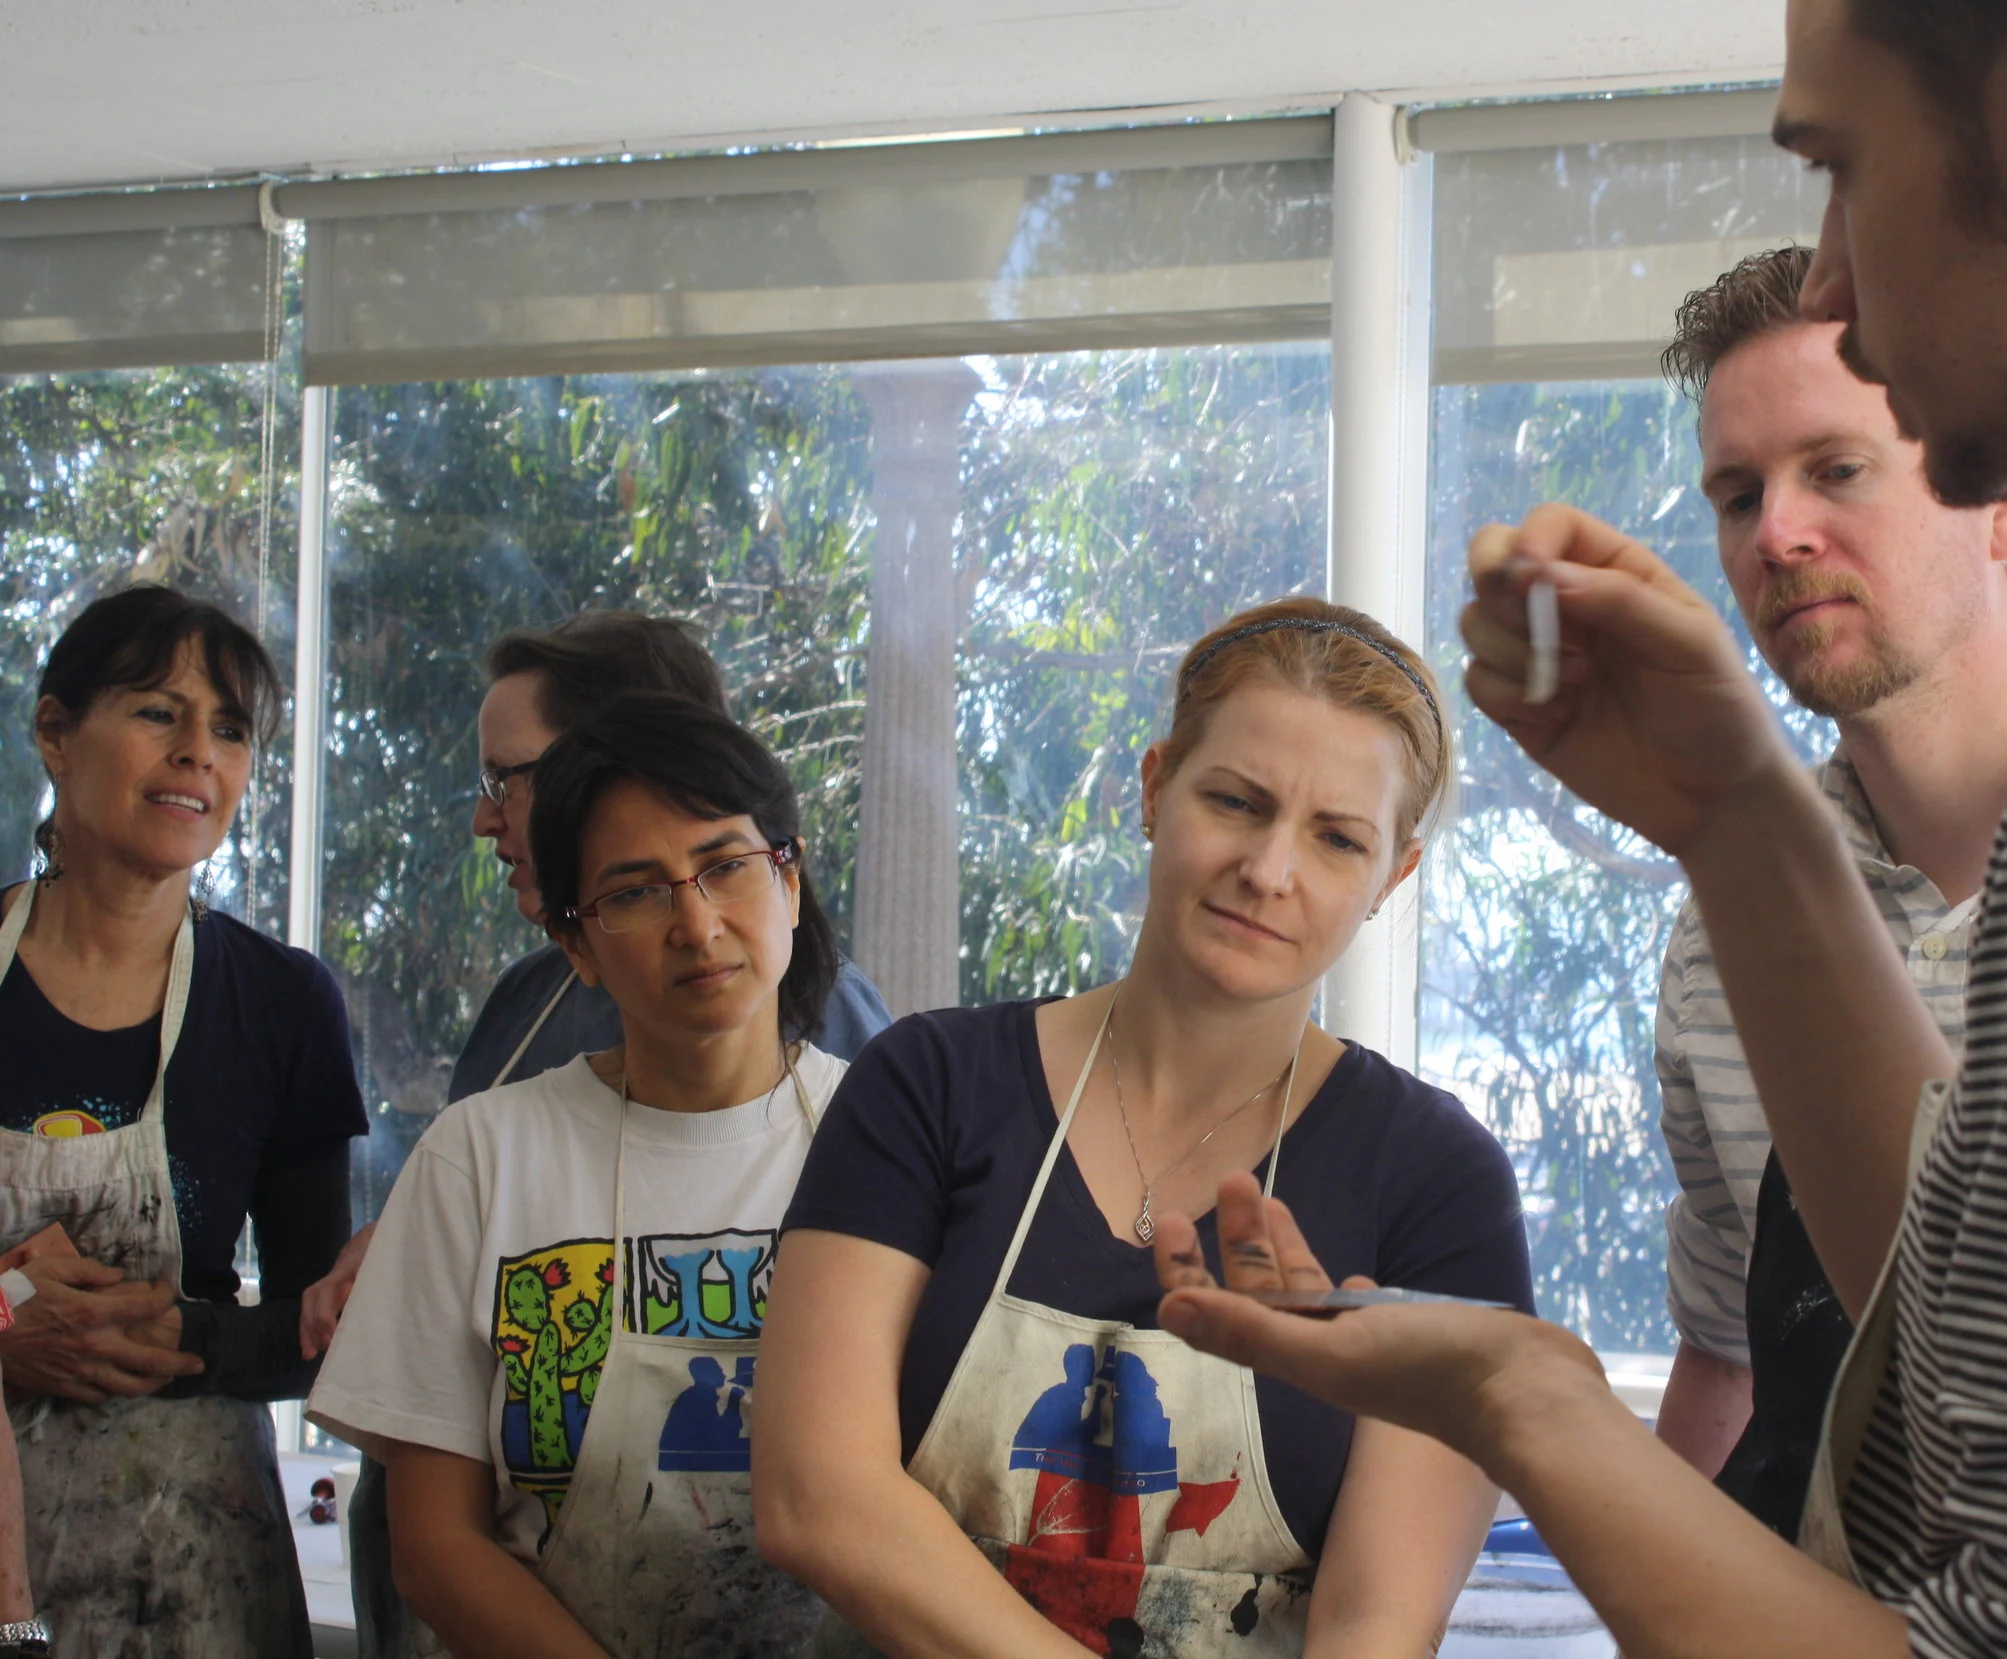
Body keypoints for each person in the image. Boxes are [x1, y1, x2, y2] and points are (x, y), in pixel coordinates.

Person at [1147, 0, 2007, 1655]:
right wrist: (1741, 820)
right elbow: (1991, 1381)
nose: (1839, 292)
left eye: (1843, 170)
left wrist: (1526, 1405)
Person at [751, 597, 1533, 1658]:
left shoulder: (1436, 1182)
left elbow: (1376, 1622)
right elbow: (817, 1499)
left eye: (1337, 836)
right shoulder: (929, 1084)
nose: (1269, 869)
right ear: (1157, 787)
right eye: (1236, 801)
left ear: (1393, 875)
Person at [295, 611, 892, 1659]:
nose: (697, 924)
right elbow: (436, 1543)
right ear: (576, 937)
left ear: (788, 878)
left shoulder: (897, 1132)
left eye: (726, 866)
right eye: (632, 891)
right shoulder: (481, 1153)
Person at [1646, 244, 2007, 1541]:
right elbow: (1737, 1361)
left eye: (1837, 468)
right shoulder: (1721, 934)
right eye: (1737, 495)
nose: (1776, 533)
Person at [0, 584, 366, 1657]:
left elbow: (314, 1327)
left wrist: (181, 1337)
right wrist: (12, 1320)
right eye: (160, 711)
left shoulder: (285, 1001)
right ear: (56, 732)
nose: (199, 752)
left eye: (233, 728)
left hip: (196, 1564)